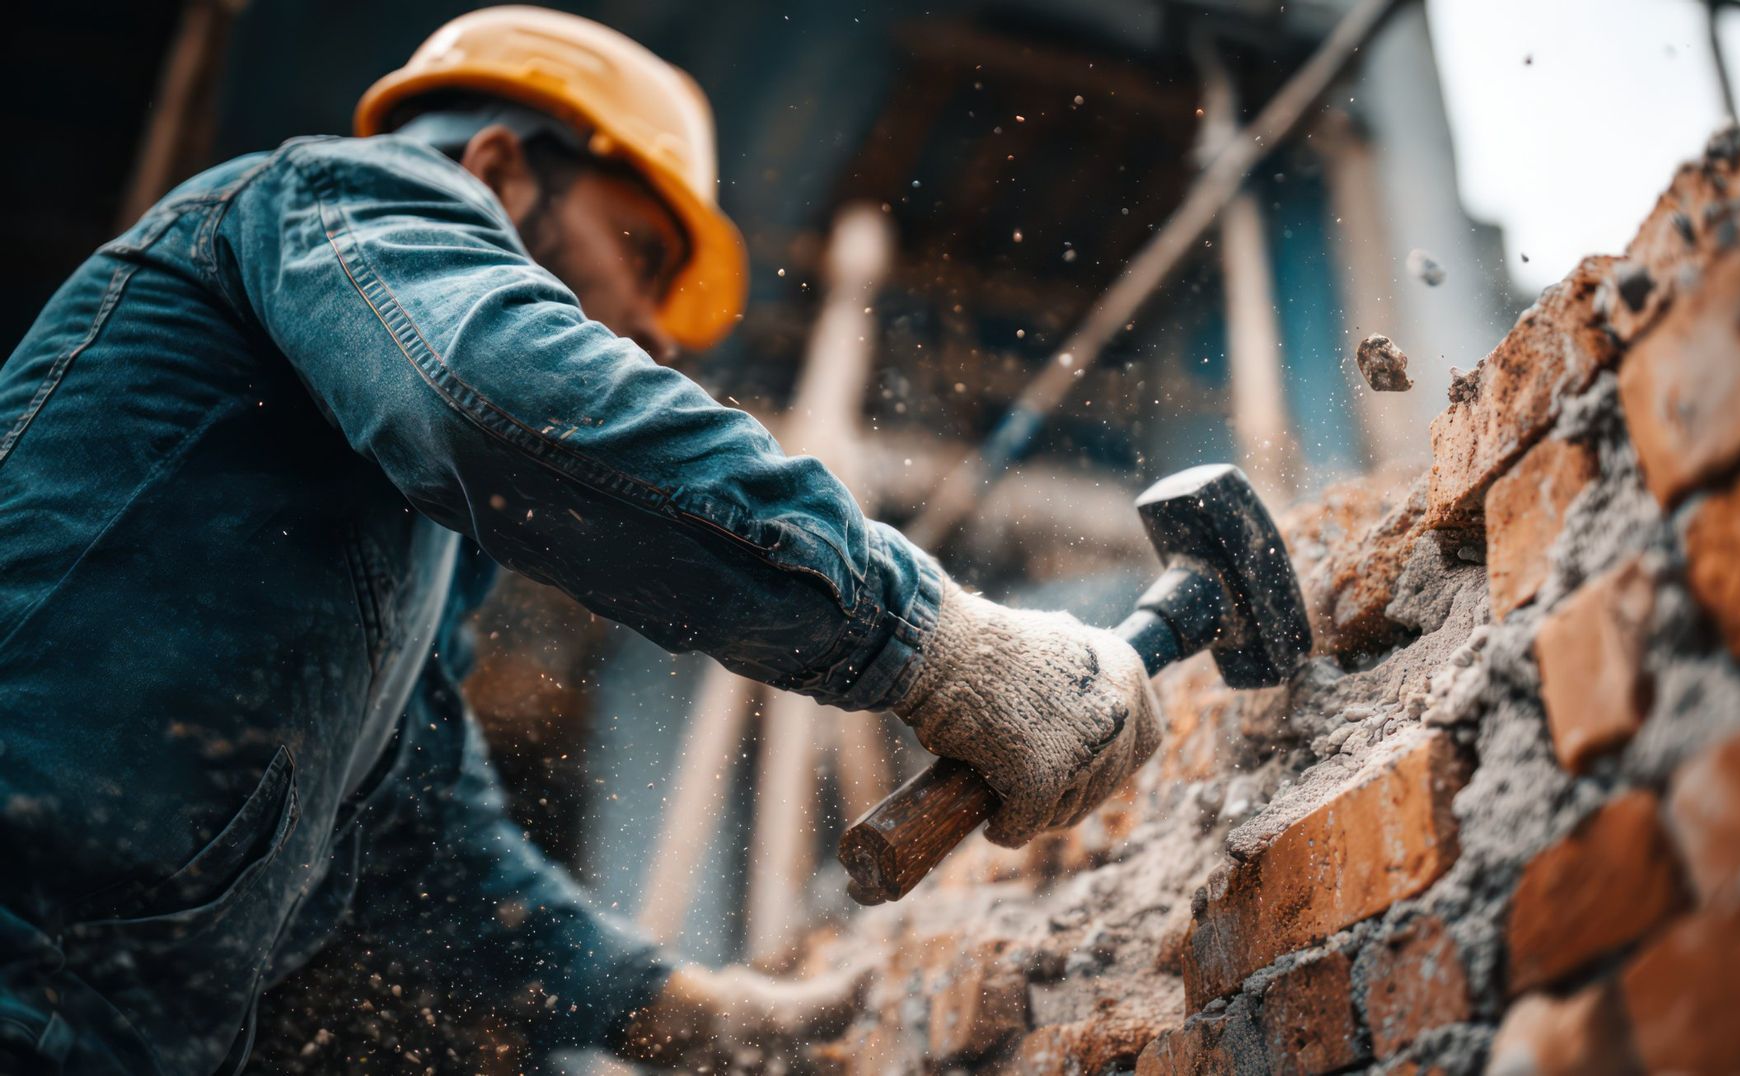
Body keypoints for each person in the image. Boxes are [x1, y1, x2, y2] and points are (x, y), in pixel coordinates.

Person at [0, 6, 1162, 1072]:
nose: (656, 331)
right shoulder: (333, 197)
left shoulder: (397, 526)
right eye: (642, 253)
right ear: (499, 162)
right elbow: (496, 391)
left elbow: (408, 821)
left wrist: (659, 1005)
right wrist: (932, 639)